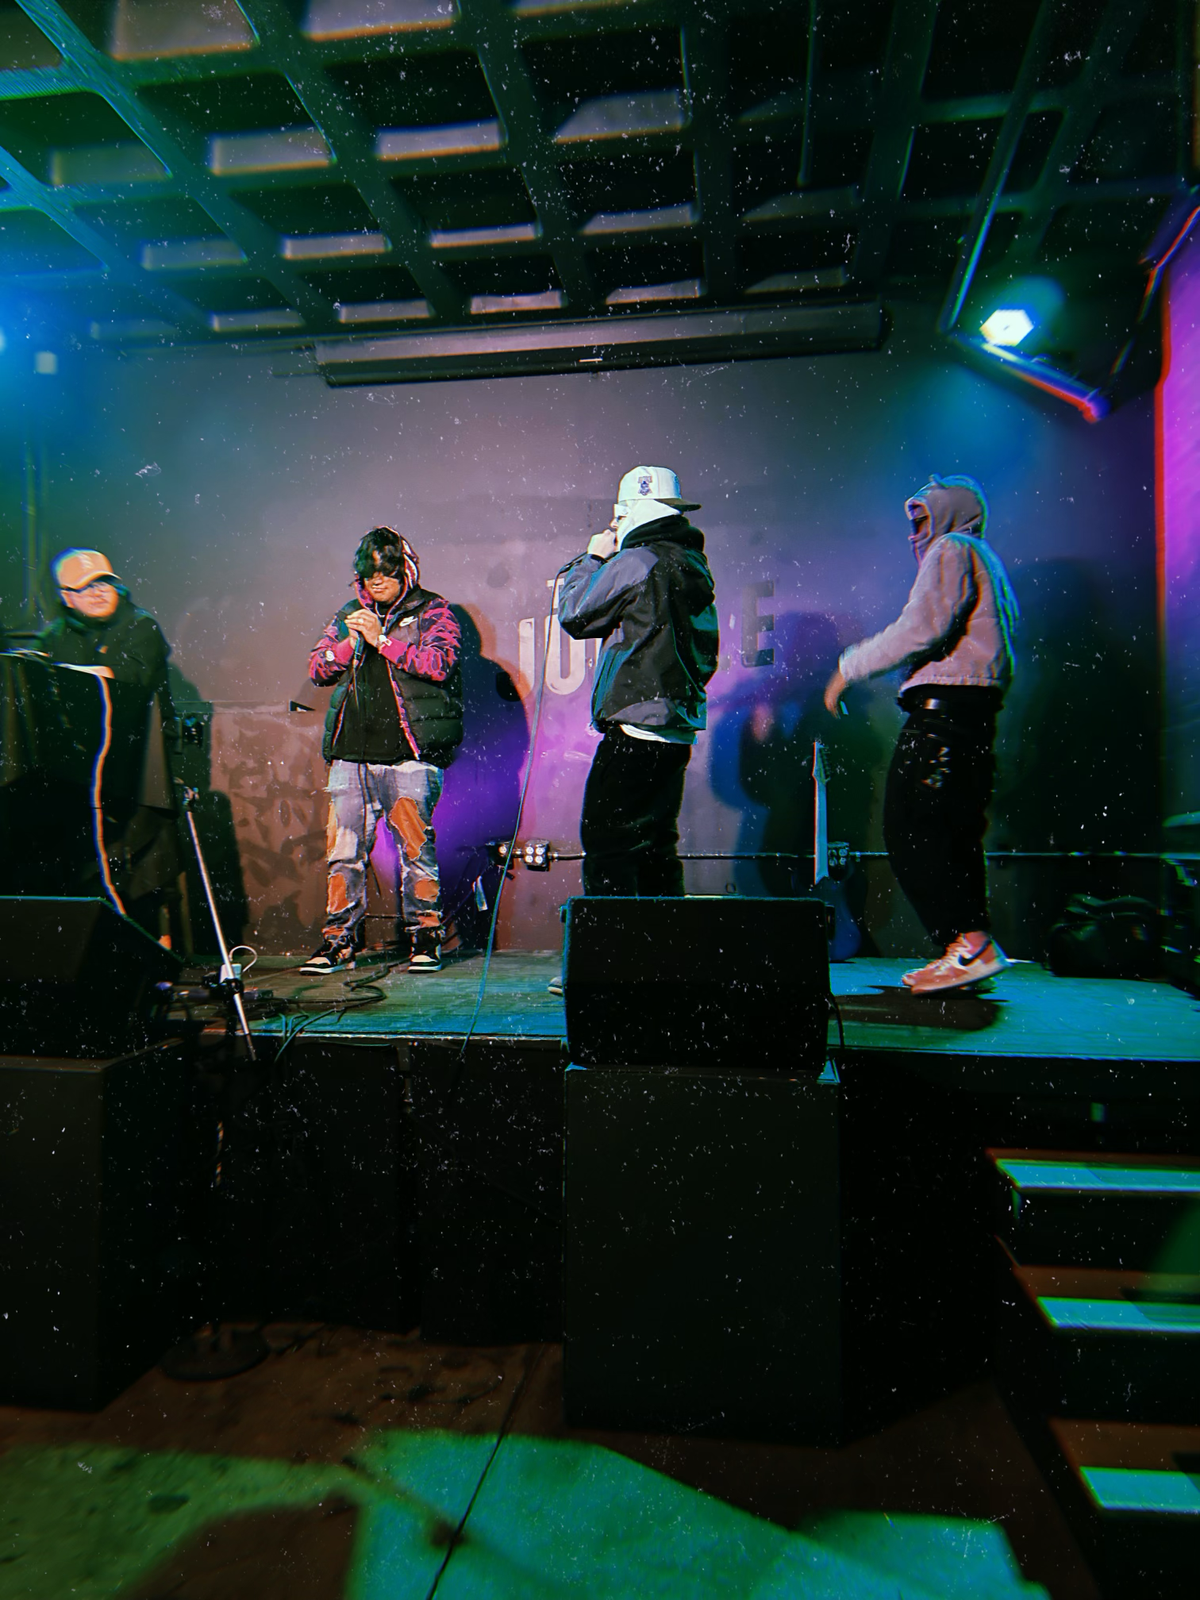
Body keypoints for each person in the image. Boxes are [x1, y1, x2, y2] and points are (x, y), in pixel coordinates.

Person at [824, 475, 1019, 995]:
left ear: (950, 513)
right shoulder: (984, 559)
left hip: (943, 719)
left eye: (922, 519)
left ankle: (969, 944)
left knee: (911, 828)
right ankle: (970, 948)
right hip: (969, 717)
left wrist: (848, 668)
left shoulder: (952, 549)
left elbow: (922, 628)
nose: (914, 533)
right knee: (951, 833)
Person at [303, 526, 462, 975]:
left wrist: (383, 641)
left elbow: (439, 663)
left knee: (416, 851)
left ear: (405, 570)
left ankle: (425, 936)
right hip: (350, 756)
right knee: (343, 853)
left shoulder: (433, 610)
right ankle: (339, 939)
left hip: (408, 756)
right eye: (368, 571)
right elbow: (318, 668)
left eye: (387, 570)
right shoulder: (350, 615)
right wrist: (350, 642)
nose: (377, 579)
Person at [558, 465, 718, 897]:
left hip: (635, 725)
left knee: (609, 843)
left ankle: (610, 941)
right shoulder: (693, 564)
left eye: (619, 517)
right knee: (656, 849)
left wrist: (593, 559)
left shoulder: (638, 560)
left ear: (631, 511)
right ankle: (665, 938)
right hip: (675, 727)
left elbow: (576, 613)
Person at [39, 547, 182, 939]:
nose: (98, 592)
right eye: (86, 587)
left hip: (140, 767)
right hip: (80, 769)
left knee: (145, 857)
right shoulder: (54, 635)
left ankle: (156, 951)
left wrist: (70, 673)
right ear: (66, 596)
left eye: (104, 583)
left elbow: (133, 677)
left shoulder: (141, 625)